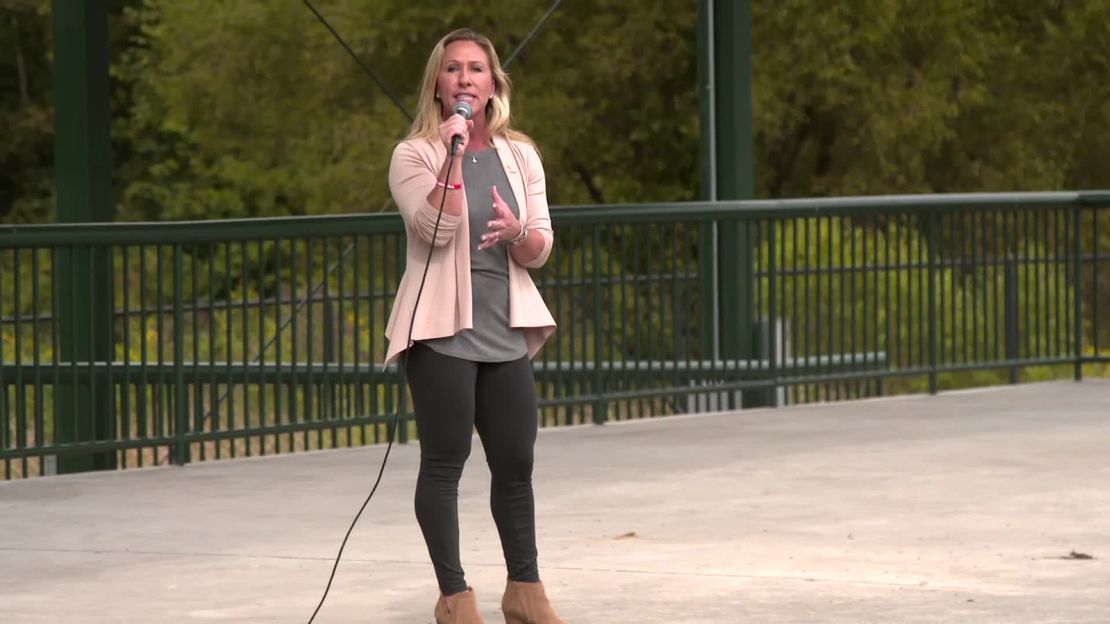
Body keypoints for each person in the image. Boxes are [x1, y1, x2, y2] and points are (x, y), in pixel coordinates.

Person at [384, 28, 564, 624]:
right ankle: (456, 598)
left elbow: (540, 247)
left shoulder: (521, 155)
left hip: (504, 328)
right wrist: (453, 155)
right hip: (441, 332)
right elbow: (436, 231)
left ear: (493, 86)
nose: (466, 78)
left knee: (516, 462)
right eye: (454, 69)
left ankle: (526, 592)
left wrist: (517, 234)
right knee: (445, 461)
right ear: (437, 86)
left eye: (477, 70)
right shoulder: (416, 155)